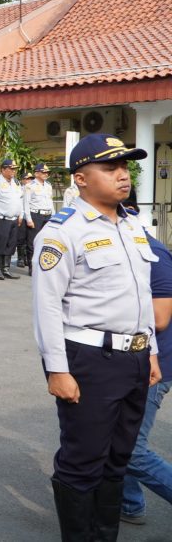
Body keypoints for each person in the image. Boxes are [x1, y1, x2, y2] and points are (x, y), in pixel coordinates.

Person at [32, 133, 160, 542]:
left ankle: (104, 535)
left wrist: (151, 352)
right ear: (81, 179)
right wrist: (57, 369)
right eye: (111, 168)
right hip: (89, 359)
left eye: (125, 167)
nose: (122, 176)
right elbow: (47, 306)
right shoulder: (62, 232)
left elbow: (141, 295)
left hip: (135, 359)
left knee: (118, 458)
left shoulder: (132, 224)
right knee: (82, 459)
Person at [119, 195, 172, 526]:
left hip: (154, 366)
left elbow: (160, 318)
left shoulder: (155, 254)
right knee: (117, 438)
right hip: (127, 362)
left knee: (131, 449)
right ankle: (129, 503)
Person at [23, 162, 56, 275]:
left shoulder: (48, 185)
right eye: (43, 172)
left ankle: (43, 265)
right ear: (36, 173)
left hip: (47, 215)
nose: (46, 174)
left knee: (46, 241)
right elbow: (26, 204)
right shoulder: (29, 186)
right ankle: (32, 267)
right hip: (35, 215)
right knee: (32, 243)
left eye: (47, 172)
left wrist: (53, 216)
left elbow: (50, 202)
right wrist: (29, 219)